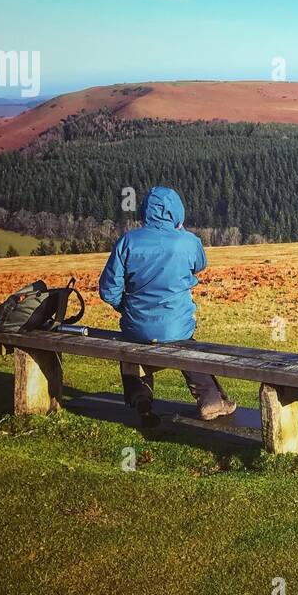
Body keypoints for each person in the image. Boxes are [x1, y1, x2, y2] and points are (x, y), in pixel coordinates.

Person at [98, 186, 236, 433]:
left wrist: (126, 308)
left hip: (135, 327)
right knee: (187, 348)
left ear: (144, 211)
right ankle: (211, 402)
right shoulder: (188, 241)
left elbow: (108, 290)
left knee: (132, 351)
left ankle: (140, 397)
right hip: (177, 326)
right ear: (177, 211)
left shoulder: (128, 241)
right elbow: (200, 265)